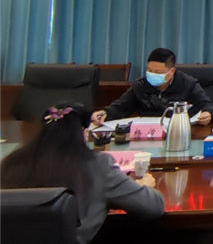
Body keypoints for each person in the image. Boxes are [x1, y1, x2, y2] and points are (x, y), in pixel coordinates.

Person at [1, 102, 164, 243]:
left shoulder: (11, 163)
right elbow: (152, 207)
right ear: (85, 133)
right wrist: (143, 186)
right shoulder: (98, 165)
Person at [91, 47, 213, 126]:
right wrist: (105, 112)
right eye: (150, 70)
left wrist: (208, 113)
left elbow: (208, 105)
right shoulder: (141, 85)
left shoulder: (187, 83)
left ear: (172, 72)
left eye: (158, 72)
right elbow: (121, 106)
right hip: (147, 134)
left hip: (177, 132)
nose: (152, 75)